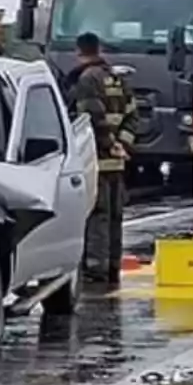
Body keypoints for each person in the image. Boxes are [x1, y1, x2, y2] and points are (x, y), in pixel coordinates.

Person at [63, 32, 138, 284]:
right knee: (115, 216)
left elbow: (91, 117)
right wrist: (123, 144)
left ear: (79, 51)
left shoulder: (86, 79)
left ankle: (95, 269)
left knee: (97, 214)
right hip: (118, 161)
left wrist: (108, 145)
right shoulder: (116, 78)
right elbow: (132, 116)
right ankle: (113, 265)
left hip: (96, 160)